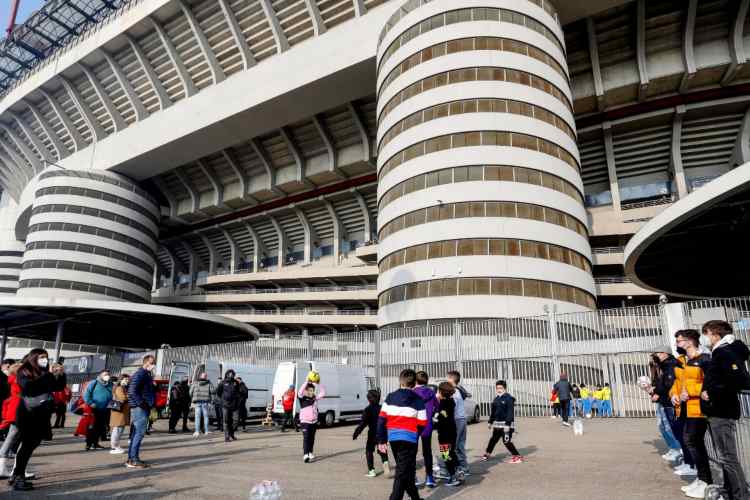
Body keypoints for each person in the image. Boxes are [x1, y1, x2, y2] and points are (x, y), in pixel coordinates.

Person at [700, 320, 750, 500]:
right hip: (719, 410)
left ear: (714, 333)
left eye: (706, 333)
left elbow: (739, 379)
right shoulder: (722, 351)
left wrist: (710, 392)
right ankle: (732, 491)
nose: (705, 338)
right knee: (725, 457)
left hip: (721, 410)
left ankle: (740, 496)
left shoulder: (723, 352)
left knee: (728, 457)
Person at [10, 349, 66, 491]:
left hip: (42, 413)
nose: (44, 360)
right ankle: (18, 476)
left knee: (32, 445)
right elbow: (28, 387)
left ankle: (17, 474)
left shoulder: (44, 371)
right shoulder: (24, 370)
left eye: (46, 357)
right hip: (28, 414)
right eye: (41, 357)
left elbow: (58, 387)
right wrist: (47, 375)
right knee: (27, 446)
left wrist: (60, 374)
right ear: (34, 357)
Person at [671, 329, 712, 498]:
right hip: (688, 407)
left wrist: (690, 391)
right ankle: (701, 478)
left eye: (680, 341)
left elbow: (709, 382)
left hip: (699, 408)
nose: (677, 344)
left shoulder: (704, 359)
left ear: (689, 341)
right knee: (691, 441)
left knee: (693, 442)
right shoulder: (688, 361)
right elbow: (680, 383)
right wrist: (675, 395)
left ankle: (706, 481)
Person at [377, 368, 427, 500]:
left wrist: (381, 440)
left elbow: (381, 420)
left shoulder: (390, 397)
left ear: (400, 381)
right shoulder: (418, 400)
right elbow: (422, 422)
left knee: (407, 470)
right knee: (402, 472)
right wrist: (415, 435)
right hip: (410, 438)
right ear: (414, 383)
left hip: (393, 438)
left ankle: (415, 498)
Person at [652, 346, 695, 476]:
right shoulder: (666, 366)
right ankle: (687, 461)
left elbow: (669, 384)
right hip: (669, 401)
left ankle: (691, 464)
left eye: (658, 353)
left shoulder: (671, 365)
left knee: (681, 433)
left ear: (665, 353)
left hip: (672, 402)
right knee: (676, 431)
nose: (656, 356)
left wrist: (658, 393)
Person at [481, 380, 522, 464]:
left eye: (501, 388)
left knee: (506, 441)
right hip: (497, 424)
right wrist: (490, 422)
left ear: (505, 388)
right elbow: (493, 412)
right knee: (493, 440)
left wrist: (507, 425)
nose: (499, 390)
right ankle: (487, 454)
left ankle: (517, 457)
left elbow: (510, 412)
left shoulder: (509, 399)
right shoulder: (496, 399)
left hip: (507, 425)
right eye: (497, 388)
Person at [126, 354, 156, 469]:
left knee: (136, 434)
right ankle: (134, 459)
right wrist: (142, 404)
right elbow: (132, 391)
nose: (153, 365)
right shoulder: (140, 373)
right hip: (140, 409)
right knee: (139, 433)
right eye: (152, 363)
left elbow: (143, 390)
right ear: (146, 363)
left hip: (142, 407)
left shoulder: (146, 374)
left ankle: (131, 458)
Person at [353, 389, 390, 478]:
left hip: (372, 434)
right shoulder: (383, 408)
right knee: (382, 450)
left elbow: (363, 424)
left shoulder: (367, 410)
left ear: (368, 399)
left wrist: (356, 433)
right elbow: (388, 421)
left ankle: (371, 470)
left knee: (369, 451)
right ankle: (385, 463)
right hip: (382, 434)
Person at [0, 362, 25, 479]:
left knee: (11, 439)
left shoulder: (13, 381)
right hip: (19, 413)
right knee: (16, 440)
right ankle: (18, 470)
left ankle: (4, 469)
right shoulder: (18, 381)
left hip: (15, 412)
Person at [413, 371, 438, 488]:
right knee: (427, 451)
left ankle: (413, 477)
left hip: (413, 425)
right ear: (427, 381)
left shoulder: (412, 393)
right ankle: (429, 477)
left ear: (415, 381)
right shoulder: (431, 392)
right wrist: (432, 413)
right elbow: (437, 407)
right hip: (427, 425)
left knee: (411, 452)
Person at [434, 382, 461, 487]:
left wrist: (435, 419)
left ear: (441, 392)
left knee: (446, 455)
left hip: (444, 433)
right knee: (451, 452)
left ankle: (453, 476)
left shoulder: (443, 404)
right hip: (452, 431)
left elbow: (442, 416)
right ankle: (458, 470)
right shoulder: (451, 401)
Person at [298, 374, 326, 462]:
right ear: (306, 391)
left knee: (312, 438)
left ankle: (310, 452)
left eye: (312, 391)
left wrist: (318, 383)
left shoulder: (315, 398)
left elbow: (323, 393)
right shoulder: (302, 398)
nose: (311, 392)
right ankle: (305, 454)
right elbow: (300, 391)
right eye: (309, 390)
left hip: (314, 422)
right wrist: (307, 382)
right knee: (306, 438)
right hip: (305, 422)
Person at [446, 370, 469, 477]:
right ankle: (464, 467)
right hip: (462, 419)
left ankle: (454, 468)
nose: (446, 380)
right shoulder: (458, 390)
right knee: (460, 445)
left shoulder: (453, 392)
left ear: (451, 379)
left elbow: (451, 407)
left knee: (453, 446)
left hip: (457, 420)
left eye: (447, 378)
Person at [83, 370, 113, 450]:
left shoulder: (110, 384)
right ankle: (88, 444)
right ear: (100, 375)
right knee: (92, 427)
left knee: (101, 427)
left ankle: (95, 443)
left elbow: (112, 394)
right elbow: (86, 394)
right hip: (94, 408)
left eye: (108, 374)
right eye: (105, 374)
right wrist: (90, 403)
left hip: (105, 409)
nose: (107, 376)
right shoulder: (94, 383)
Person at [217, 370, 240, 442]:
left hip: (234, 405)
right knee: (226, 421)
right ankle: (227, 437)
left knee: (235, 421)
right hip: (225, 405)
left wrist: (237, 399)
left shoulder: (236, 382)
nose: (231, 375)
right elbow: (219, 392)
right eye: (229, 374)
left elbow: (238, 391)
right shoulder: (223, 383)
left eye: (232, 374)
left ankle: (231, 433)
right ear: (226, 374)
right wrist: (224, 399)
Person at [109, 374, 131, 455]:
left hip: (121, 412)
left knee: (119, 429)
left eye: (128, 380)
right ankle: (114, 447)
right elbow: (123, 398)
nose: (127, 381)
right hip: (119, 412)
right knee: (117, 430)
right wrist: (129, 396)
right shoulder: (119, 388)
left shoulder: (123, 388)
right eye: (125, 380)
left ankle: (116, 445)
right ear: (121, 380)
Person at [190, 372, 213, 437]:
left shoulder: (195, 383)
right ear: (206, 377)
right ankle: (206, 431)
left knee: (197, 417)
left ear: (200, 376)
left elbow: (190, 392)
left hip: (197, 402)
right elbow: (213, 391)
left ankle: (197, 431)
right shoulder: (209, 383)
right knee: (206, 417)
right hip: (205, 402)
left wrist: (193, 398)